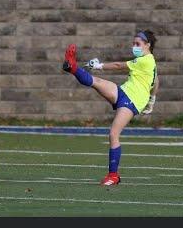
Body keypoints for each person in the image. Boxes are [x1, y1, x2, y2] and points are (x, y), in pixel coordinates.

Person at [62, 30, 159, 186]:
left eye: (138, 44)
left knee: (113, 134)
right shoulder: (150, 62)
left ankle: (113, 176)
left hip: (133, 101)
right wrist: (152, 100)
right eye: (133, 43)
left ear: (147, 45)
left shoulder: (145, 61)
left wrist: (98, 65)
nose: (134, 46)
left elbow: (118, 65)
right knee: (97, 83)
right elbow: (156, 82)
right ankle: (72, 67)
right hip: (124, 92)